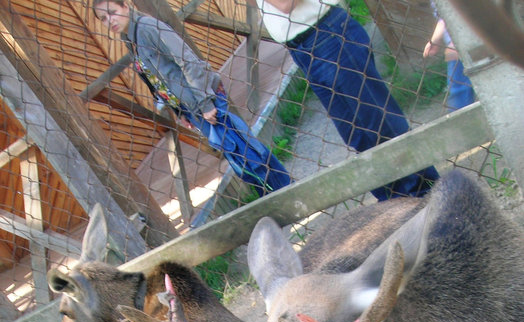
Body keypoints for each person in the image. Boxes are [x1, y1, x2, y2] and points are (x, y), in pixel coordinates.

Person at [92, 1, 291, 197]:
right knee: (237, 156)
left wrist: (205, 103)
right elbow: (159, 79)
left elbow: (186, 60)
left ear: (125, 6)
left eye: (112, 12)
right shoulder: (130, 39)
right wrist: (180, 111)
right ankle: (275, 196)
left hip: (204, 99)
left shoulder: (147, 28)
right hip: (190, 106)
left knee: (245, 152)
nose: (109, 20)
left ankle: (285, 193)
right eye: (103, 18)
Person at [250, 0, 440, 201]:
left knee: (381, 126)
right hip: (301, 49)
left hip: (327, 34)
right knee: (358, 137)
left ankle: (432, 196)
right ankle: (397, 207)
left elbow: (285, 3)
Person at [424, 17, 475, 112]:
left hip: (461, 39)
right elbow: (443, 17)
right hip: (460, 39)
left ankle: (464, 120)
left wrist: (436, 39)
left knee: (459, 90)